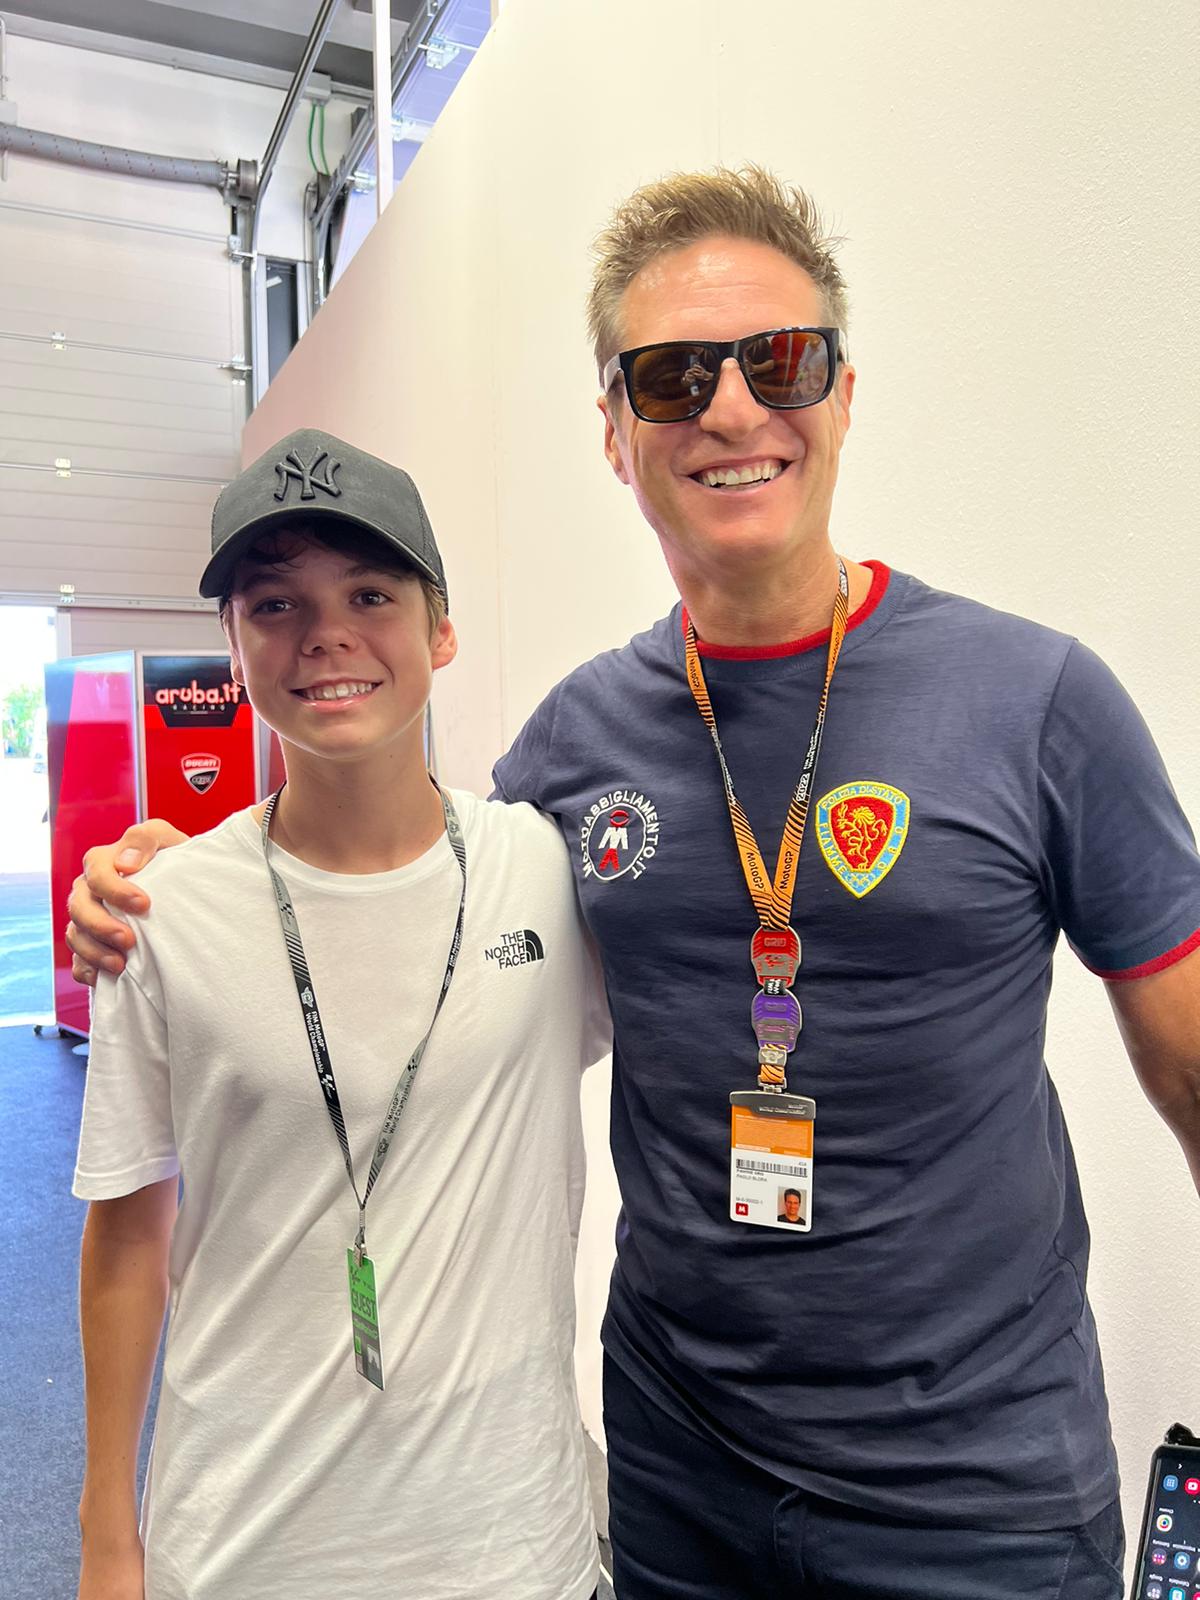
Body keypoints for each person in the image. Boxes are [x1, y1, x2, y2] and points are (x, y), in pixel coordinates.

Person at [68, 170, 1200, 1599]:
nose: (731, 408)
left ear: (844, 395)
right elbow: (399, 893)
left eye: (780, 360)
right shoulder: (575, 750)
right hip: (676, 1478)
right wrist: (171, 878)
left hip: (972, 1495)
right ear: (614, 431)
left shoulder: (1036, 699)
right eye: (672, 376)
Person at [71, 429, 607, 1600]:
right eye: (275, 604)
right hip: (247, 1543)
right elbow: (126, 1233)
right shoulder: (159, 910)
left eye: (370, 594)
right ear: (233, 646)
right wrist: (107, 1529)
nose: (325, 634)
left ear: (441, 630)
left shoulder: (543, 869)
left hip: (511, 1546)